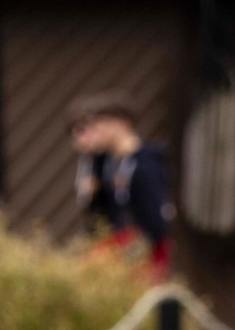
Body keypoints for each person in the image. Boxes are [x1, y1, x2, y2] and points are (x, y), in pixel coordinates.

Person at [71, 98, 174, 268]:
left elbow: (155, 221)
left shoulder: (144, 165)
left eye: (101, 125)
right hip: (124, 242)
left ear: (121, 124)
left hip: (143, 251)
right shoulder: (111, 163)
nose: (97, 132)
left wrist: (130, 252)